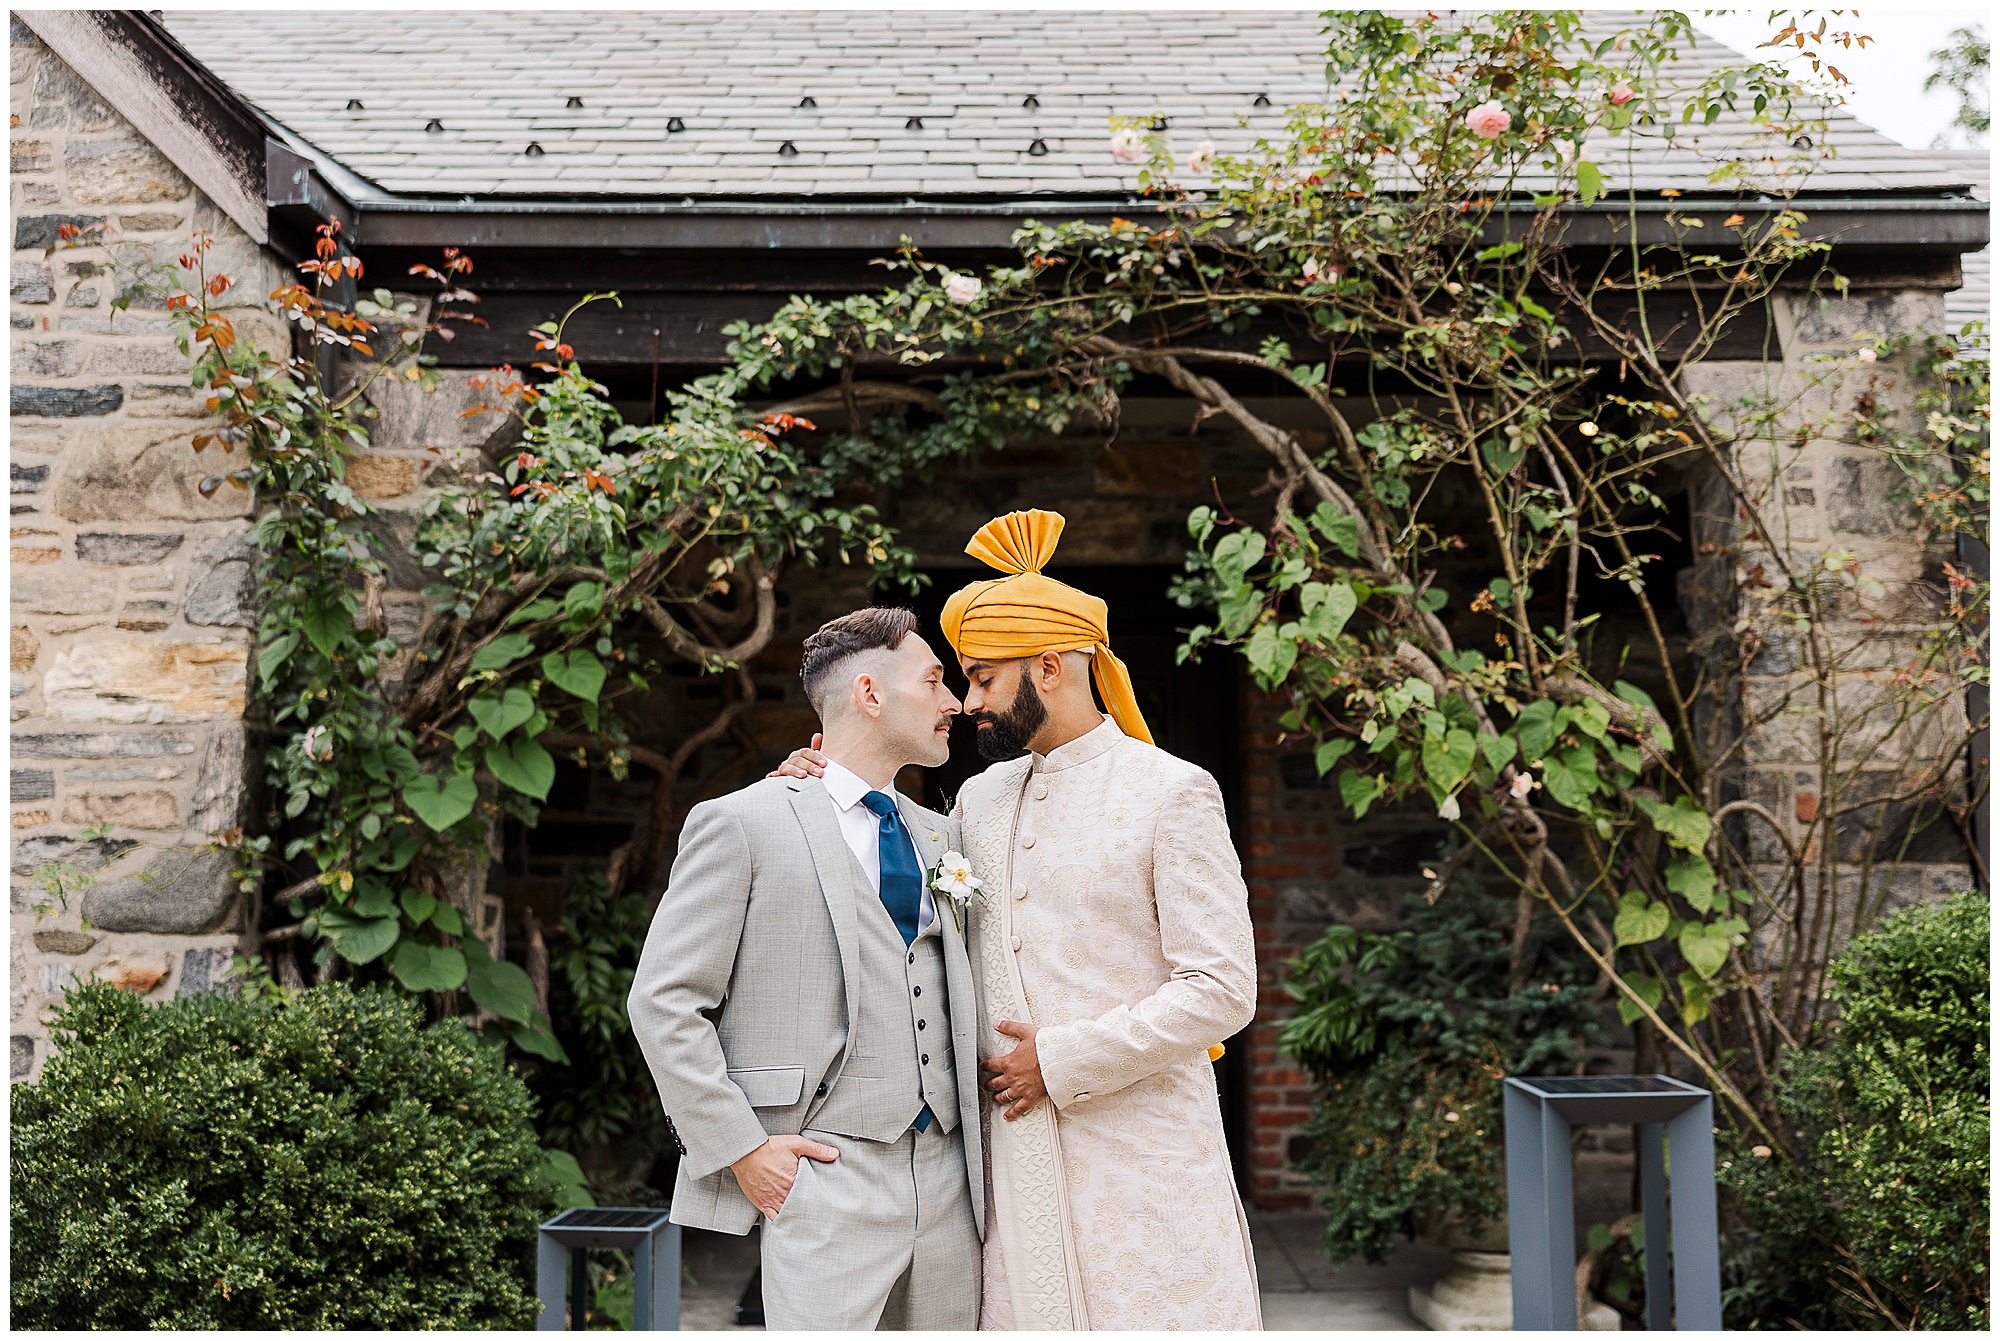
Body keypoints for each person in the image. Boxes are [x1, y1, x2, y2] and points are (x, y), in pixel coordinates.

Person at [777, 510, 1262, 1330]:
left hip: (1146, 1160)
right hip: (1016, 1165)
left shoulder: (1171, 791)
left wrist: (1064, 1059)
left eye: (983, 678)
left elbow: (1223, 988)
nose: (967, 704)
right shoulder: (979, 797)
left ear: (1050, 666)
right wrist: (823, 781)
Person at [629, 606, 986, 1330]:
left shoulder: (945, 832)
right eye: (935, 679)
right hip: (824, 1174)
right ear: (870, 693)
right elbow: (663, 1000)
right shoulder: (744, 822)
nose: (954, 702)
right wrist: (742, 1147)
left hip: (953, 1180)